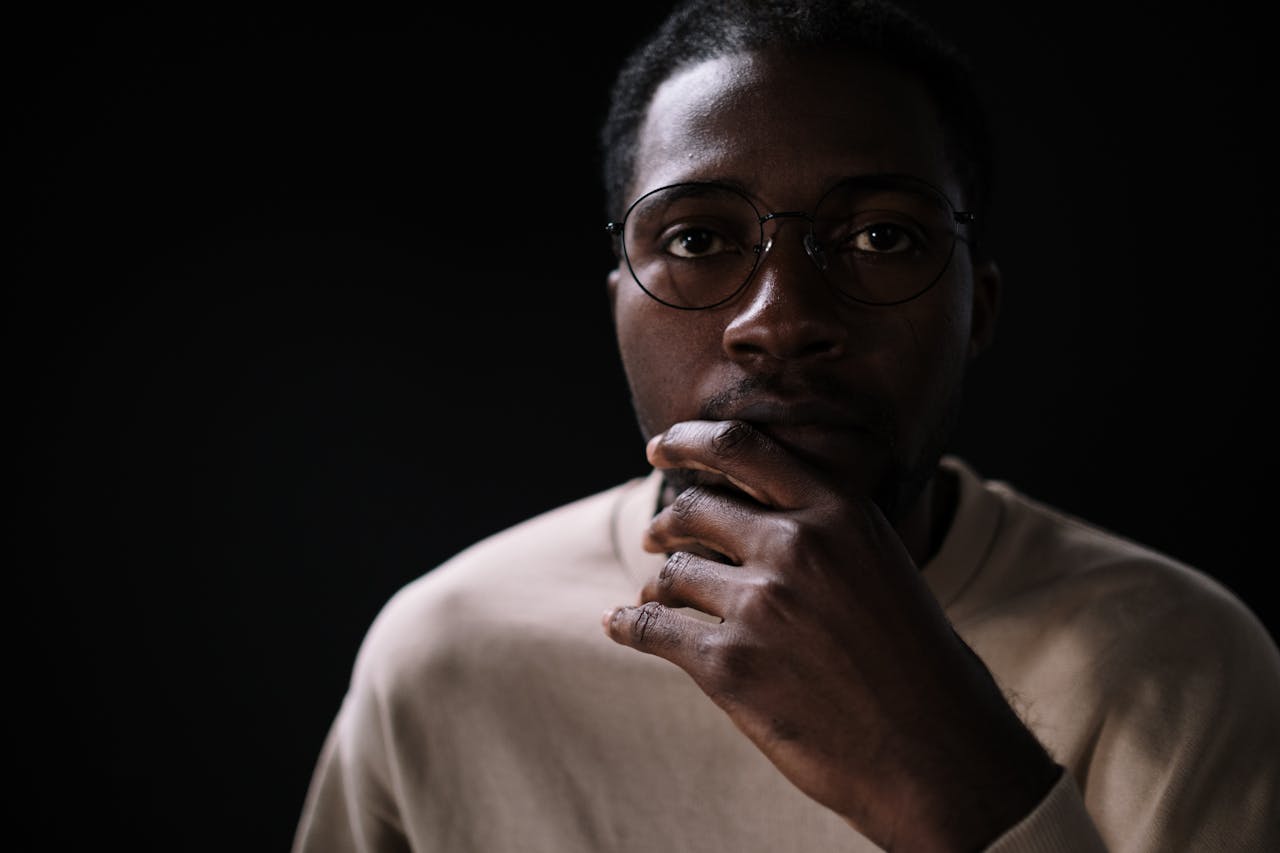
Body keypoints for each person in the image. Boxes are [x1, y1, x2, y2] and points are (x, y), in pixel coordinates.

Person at [291, 1, 1280, 850]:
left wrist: (965, 787)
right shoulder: (444, 656)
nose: (782, 319)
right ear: (614, 310)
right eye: (694, 238)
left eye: (881, 236)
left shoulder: (1174, 661)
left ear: (975, 309)